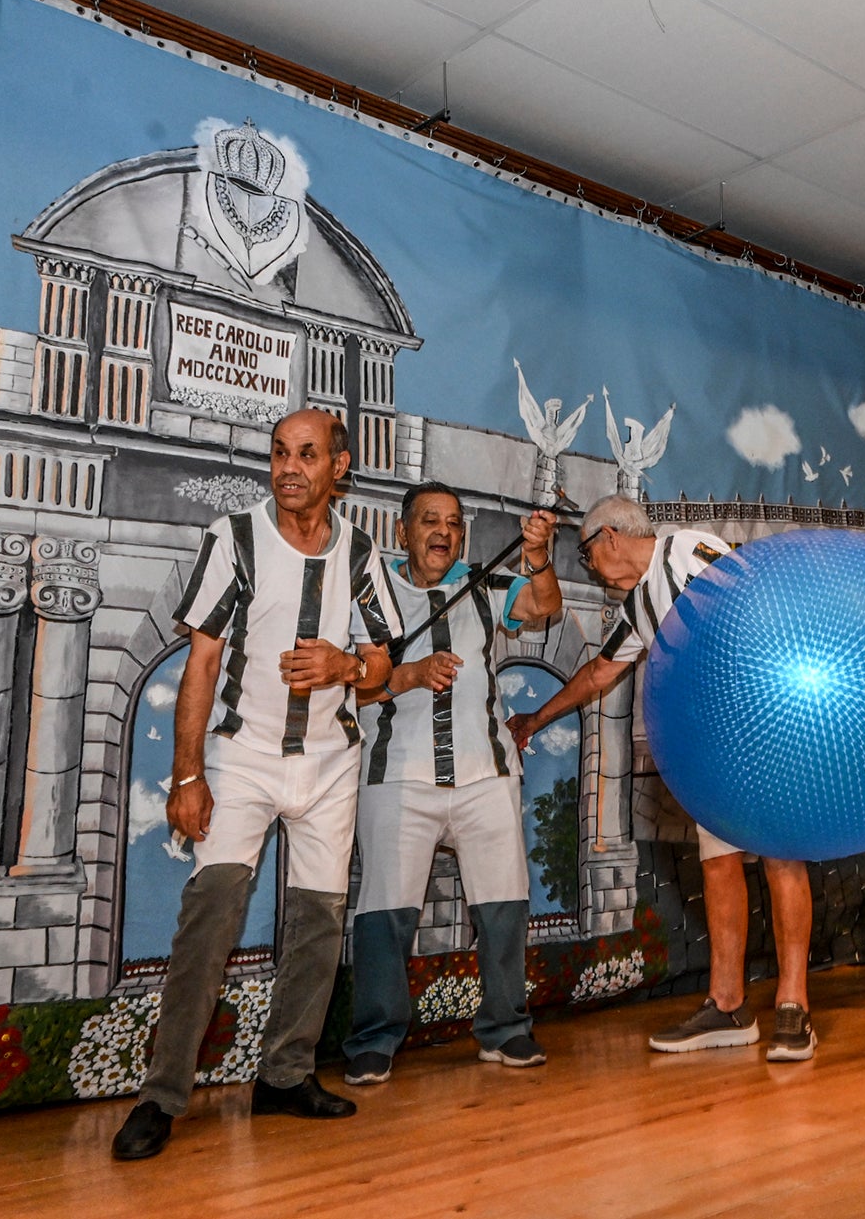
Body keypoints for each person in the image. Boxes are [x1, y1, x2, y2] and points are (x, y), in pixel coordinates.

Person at [112, 410, 402, 1161]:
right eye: (278, 453)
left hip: (331, 763)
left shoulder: (364, 553)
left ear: (340, 467)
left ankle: (285, 1073)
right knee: (210, 918)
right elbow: (201, 664)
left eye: (306, 454)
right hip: (243, 758)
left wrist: (344, 666)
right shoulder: (234, 537)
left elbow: (379, 667)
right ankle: (162, 1094)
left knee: (318, 925)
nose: (287, 467)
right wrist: (187, 774)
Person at [506, 495, 819, 1061]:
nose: (591, 567)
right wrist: (536, 718)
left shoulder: (684, 551)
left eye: (586, 554)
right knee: (721, 863)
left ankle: (793, 1006)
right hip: (712, 750)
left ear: (610, 538)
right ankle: (727, 1006)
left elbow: (753, 597)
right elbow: (601, 671)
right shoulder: (637, 608)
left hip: (764, 727)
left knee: (781, 857)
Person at [340, 485, 558, 1085]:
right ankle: (375, 1038)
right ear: (403, 530)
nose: (443, 532)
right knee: (386, 912)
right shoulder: (371, 590)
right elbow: (347, 682)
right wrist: (407, 676)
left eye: (455, 523)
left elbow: (544, 606)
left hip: (486, 773)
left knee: (503, 907)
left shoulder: (486, 584)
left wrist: (537, 554)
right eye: (430, 521)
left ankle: (506, 1029)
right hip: (397, 775)